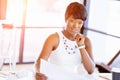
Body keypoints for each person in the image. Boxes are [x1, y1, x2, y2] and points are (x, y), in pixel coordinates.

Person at [35, 2, 95, 80]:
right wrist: (39, 72)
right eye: (72, 21)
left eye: (80, 22)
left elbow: (91, 70)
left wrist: (81, 46)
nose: (76, 26)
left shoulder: (86, 41)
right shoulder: (54, 38)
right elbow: (39, 63)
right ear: (66, 19)